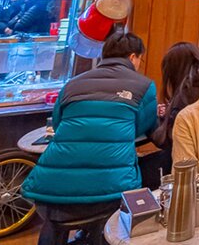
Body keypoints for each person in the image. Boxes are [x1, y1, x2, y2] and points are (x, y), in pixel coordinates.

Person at [22, 32, 157, 245]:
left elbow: (57, 124)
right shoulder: (144, 86)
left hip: (49, 188)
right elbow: (142, 127)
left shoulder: (72, 84)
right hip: (111, 189)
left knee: (54, 222)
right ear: (133, 57)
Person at [142, 43, 199, 187]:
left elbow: (169, 139)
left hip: (191, 163)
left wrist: (154, 122)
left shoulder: (185, 91)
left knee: (140, 168)